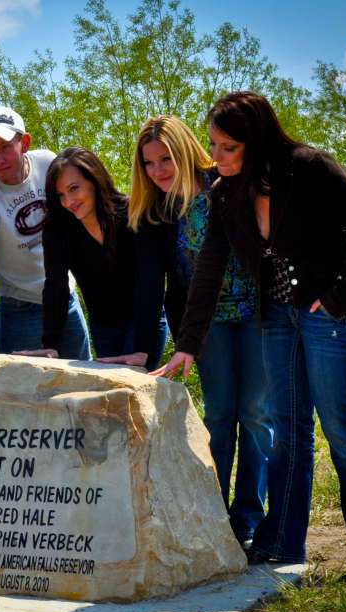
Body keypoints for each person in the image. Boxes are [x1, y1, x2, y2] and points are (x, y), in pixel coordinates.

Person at [167, 91, 346, 576]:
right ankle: (282, 541)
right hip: (275, 316)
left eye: (227, 148)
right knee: (288, 430)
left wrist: (340, 296)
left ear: (255, 142)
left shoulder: (311, 166)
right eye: (213, 146)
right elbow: (209, 270)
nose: (215, 158)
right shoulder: (224, 192)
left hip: (329, 315)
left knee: (341, 425)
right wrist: (189, 345)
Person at [104, 116, 272, 546]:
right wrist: (143, 352)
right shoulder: (154, 214)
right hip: (205, 326)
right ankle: (215, 516)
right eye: (148, 163)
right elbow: (150, 289)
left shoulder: (225, 186)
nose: (158, 170)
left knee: (254, 415)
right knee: (218, 415)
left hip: (257, 316)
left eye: (165, 159)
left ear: (184, 152)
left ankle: (249, 518)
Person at [0, 107, 91, 360]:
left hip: (65, 299)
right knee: (23, 396)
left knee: (86, 385)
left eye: (5, 147)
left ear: (24, 142)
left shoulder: (49, 165)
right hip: (20, 309)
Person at [16, 147, 166, 369]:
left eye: (74, 188)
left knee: (136, 393)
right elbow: (56, 286)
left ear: (94, 180)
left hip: (145, 321)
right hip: (105, 327)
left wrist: (142, 347)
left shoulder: (135, 214)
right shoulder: (58, 229)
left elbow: (151, 284)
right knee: (112, 399)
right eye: (60, 195)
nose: (68, 201)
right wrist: (50, 344)